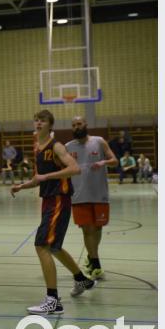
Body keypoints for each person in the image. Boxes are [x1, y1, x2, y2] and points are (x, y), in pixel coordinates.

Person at [11, 110, 95, 314]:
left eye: (43, 120)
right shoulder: (37, 148)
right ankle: (81, 279)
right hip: (49, 200)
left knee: (42, 245)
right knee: (54, 247)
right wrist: (22, 186)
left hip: (59, 199)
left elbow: (75, 169)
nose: (38, 122)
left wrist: (47, 177)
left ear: (50, 125)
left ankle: (53, 300)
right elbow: (39, 178)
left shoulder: (55, 146)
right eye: (36, 119)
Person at [65, 116, 117, 281]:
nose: (76, 127)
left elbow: (114, 160)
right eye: (73, 125)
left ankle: (90, 256)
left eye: (79, 124)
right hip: (79, 196)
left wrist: (103, 163)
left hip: (99, 194)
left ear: (86, 124)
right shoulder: (68, 147)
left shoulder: (99, 141)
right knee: (87, 230)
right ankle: (96, 265)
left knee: (97, 229)